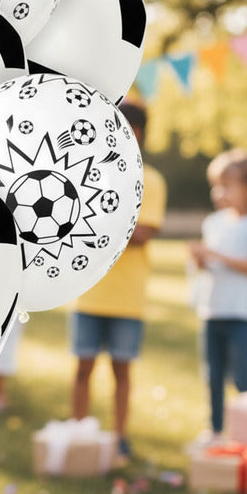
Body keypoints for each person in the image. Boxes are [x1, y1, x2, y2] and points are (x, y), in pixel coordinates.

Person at [69, 99, 167, 461]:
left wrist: (101, 226)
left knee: (121, 370)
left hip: (127, 298)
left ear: (136, 133)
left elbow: (144, 233)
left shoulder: (151, 180)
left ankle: (120, 437)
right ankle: (78, 433)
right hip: (90, 295)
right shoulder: (92, 172)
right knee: (82, 367)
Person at [188, 149, 247, 444]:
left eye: (227, 185)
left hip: (244, 314)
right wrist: (200, 258)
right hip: (214, 310)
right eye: (217, 185)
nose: (219, 192)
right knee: (212, 376)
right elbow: (209, 267)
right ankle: (215, 431)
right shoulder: (213, 223)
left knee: (241, 376)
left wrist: (214, 254)